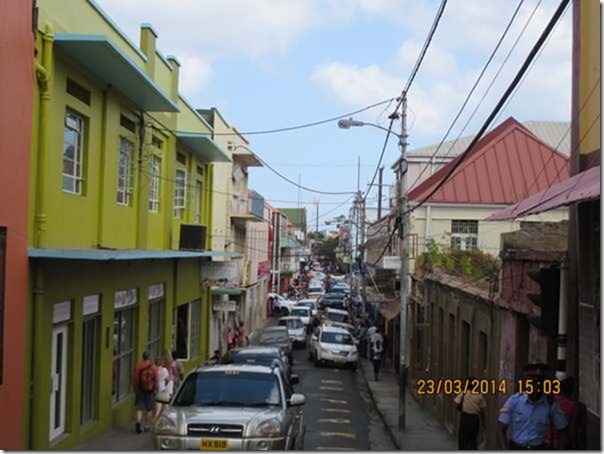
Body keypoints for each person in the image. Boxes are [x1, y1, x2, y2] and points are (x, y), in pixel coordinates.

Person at [498, 364, 568, 449]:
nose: (533, 386)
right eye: (530, 382)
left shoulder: (550, 404)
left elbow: (562, 429)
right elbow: (501, 429)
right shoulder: (514, 401)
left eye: (537, 382)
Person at [454, 377, 486, 450]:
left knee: (463, 438)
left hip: (465, 418)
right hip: (475, 419)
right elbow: (483, 410)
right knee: (473, 439)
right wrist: (484, 423)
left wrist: (463, 408)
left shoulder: (463, 393)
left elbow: (456, 404)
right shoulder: (479, 395)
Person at [132, 351, 158, 433]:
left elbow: (134, 378)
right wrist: (155, 388)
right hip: (150, 390)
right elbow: (156, 379)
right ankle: (147, 426)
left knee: (139, 408)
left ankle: (138, 423)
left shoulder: (137, 366)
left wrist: (136, 388)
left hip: (140, 389)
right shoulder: (153, 367)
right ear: (150, 357)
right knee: (149, 409)